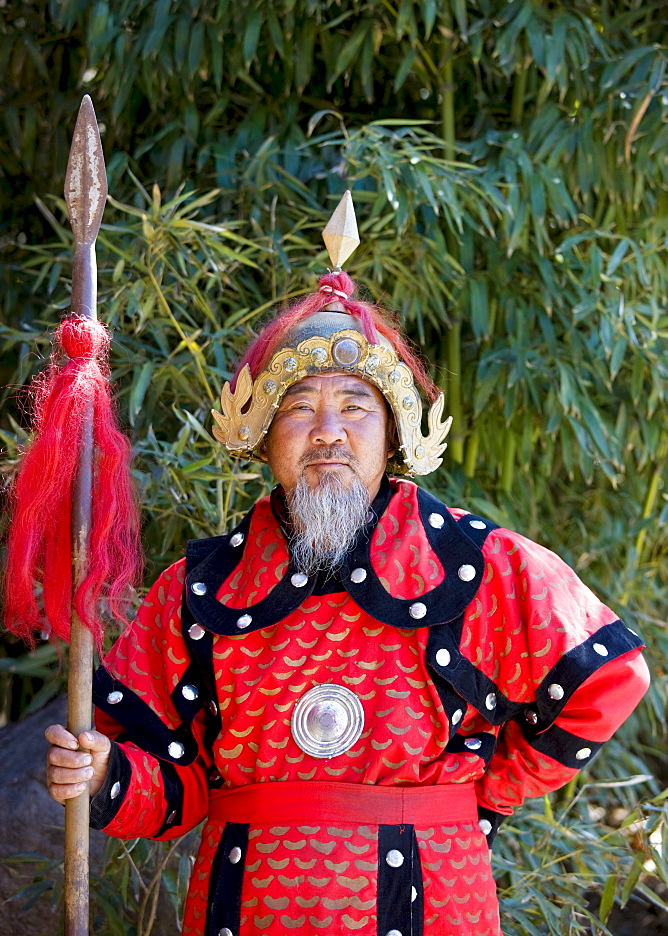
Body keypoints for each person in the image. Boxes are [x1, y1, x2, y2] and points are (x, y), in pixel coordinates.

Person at [46, 194, 649, 936]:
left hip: (437, 905)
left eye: (355, 406)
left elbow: (609, 678)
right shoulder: (197, 590)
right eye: (299, 406)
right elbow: (171, 782)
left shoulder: (477, 565)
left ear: (392, 431)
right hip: (245, 911)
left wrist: (488, 793)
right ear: (264, 435)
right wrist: (103, 773)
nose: (327, 432)